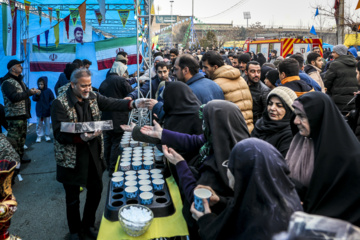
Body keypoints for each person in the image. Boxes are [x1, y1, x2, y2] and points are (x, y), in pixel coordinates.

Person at [50, 68, 143, 240]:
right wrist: (81, 138)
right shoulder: (59, 103)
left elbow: (111, 103)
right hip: (71, 158)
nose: (87, 89)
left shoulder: (93, 95)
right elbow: (59, 134)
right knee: (73, 199)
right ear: (73, 85)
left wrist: (133, 104)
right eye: (83, 86)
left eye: (90, 85)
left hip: (93, 154)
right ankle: (75, 231)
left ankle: (88, 225)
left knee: (96, 190)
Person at [189, 138, 303, 240]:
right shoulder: (282, 200)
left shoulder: (259, 228)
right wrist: (221, 201)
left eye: (233, 164)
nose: (228, 170)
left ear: (245, 172)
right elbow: (249, 206)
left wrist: (205, 221)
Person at [286, 92, 360, 226]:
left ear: (318, 118)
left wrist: (309, 206)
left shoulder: (346, 156)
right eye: (295, 114)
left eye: (302, 116)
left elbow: (347, 203)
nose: (296, 121)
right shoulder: (300, 140)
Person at [202, 51, 254, 132]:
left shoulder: (215, 84)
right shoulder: (241, 79)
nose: (203, 70)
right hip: (249, 129)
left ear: (215, 67)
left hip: (233, 133)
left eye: (206, 67)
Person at [1, 59, 39, 164]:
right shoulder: (7, 82)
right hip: (14, 116)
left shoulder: (20, 80)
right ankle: (11, 162)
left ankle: (19, 158)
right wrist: (29, 92)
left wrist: (31, 94)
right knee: (13, 140)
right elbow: (14, 97)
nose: (21, 67)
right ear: (12, 68)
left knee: (21, 139)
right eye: (19, 65)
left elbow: (24, 93)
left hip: (22, 115)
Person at [99, 62, 133, 176]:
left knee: (107, 141)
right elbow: (131, 93)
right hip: (118, 117)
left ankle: (107, 165)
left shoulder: (104, 82)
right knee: (116, 144)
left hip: (105, 117)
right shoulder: (121, 81)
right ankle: (113, 169)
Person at [251, 87, 297, 157]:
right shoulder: (260, 124)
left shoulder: (290, 134)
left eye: (279, 106)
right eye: (270, 104)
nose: (272, 108)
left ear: (288, 110)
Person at [324, 44, 358, 114]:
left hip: (338, 101)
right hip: (354, 100)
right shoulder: (355, 63)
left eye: (334, 52)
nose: (332, 54)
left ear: (339, 53)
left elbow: (327, 82)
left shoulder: (335, 64)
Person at [32, 76, 55, 143]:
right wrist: (37, 95)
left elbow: (52, 99)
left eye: (42, 84)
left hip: (47, 110)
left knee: (47, 124)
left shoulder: (48, 91)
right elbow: (34, 99)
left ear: (45, 84)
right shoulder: (37, 90)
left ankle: (47, 135)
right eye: (39, 84)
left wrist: (49, 105)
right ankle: (39, 135)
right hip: (39, 110)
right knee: (39, 124)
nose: (40, 86)